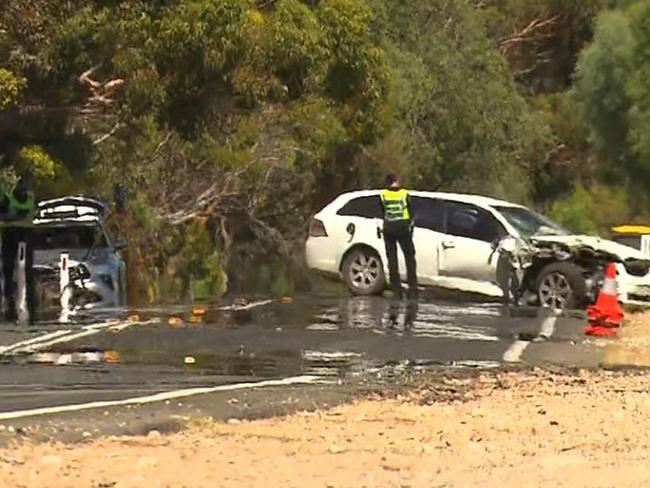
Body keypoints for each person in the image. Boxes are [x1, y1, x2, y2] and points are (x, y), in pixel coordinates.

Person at [0, 176, 36, 322]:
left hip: (26, 237)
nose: (25, 190)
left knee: (28, 274)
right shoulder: (7, 198)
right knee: (8, 273)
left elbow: (33, 214)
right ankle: (10, 307)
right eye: (24, 186)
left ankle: (31, 309)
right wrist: (14, 217)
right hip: (10, 236)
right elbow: (2, 216)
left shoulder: (30, 198)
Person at [380, 173, 418, 300]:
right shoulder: (404, 194)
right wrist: (411, 224)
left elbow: (382, 211)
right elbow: (411, 211)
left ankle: (396, 288)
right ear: (396, 181)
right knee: (409, 256)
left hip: (389, 227)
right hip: (402, 227)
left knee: (392, 258)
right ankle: (412, 287)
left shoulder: (383, 195)